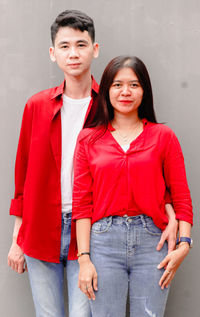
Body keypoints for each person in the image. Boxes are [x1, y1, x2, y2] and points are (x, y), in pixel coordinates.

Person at [72, 56, 193, 317]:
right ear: (106, 90)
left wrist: (184, 244)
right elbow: (82, 204)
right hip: (103, 242)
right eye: (117, 85)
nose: (125, 92)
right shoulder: (88, 140)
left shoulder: (163, 137)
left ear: (144, 91)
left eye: (134, 85)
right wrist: (84, 259)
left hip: (154, 243)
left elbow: (182, 196)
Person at [7, 10, 99, 317]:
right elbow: (22, 178)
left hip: (89, 231)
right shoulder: (36, 106)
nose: (73, 53)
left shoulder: (108, 107)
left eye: (81, 45)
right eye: (64, 46)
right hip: (39, 228)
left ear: (94, 49)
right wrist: (16, 239)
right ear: (53, 53)